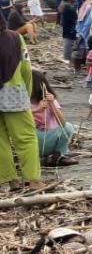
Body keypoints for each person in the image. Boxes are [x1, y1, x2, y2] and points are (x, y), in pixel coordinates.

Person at [0, 28, 41, 190]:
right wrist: (28, 94)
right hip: (14, 93)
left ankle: (10, 180)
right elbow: (26, 68)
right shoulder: (15, 38)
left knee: (0, 140)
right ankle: (33, 181)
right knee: (26, 138)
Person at [31, 70, 76, 167]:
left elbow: (62, 123)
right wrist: (37, 110)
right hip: (32, 139)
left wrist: (52, 104)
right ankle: (39, 158)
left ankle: (60, 155)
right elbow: (27, 123)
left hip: (48, 138)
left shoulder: (49, 100)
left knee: (68, 127)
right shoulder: (24, 101)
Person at [58, 0, 78, 64]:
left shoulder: (66, 5)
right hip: (71, 31)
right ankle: (71, 62)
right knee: (70, 46)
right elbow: (75, 20)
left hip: (68, 30)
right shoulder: (69, 7)